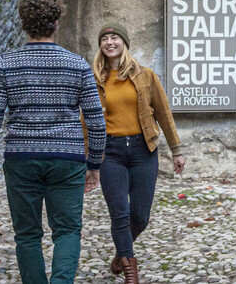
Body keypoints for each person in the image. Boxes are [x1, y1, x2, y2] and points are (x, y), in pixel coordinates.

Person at [0, 0, 106, 284]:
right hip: (68, 159)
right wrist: (94, 165)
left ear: (24, 24)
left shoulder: (5, 64)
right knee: (68, 230)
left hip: (21, 159)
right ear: (56, 23)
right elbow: (96, 121)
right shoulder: (78, 64)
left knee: (27, 234)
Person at [92, 22, 185, 284]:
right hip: (110, 152)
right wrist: (88, 157)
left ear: (124, 43)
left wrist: (176, 150)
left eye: (115, 38)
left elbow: (164, 114)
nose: (110, 42)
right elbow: (84, 121)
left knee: (140, 216)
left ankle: (122, 253)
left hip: (144, 150)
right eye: (105, 39)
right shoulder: (94, 80)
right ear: (100, 46)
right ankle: (130, 271)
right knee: (119, 212)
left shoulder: (146, 76)